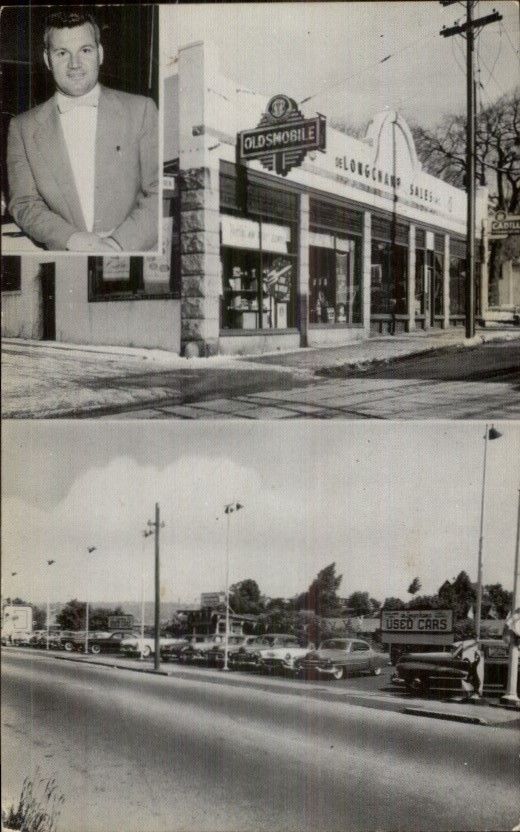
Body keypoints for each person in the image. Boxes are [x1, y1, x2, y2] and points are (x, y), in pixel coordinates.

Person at [6, 7, 158, 252]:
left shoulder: (142, 111)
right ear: (47, 59)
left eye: (85, 50)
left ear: (100, 53)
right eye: (62, 53)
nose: (74, 64)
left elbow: (159, 192)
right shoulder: (22, 128)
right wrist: (72, 239)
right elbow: (24, 202)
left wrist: (118, 244)